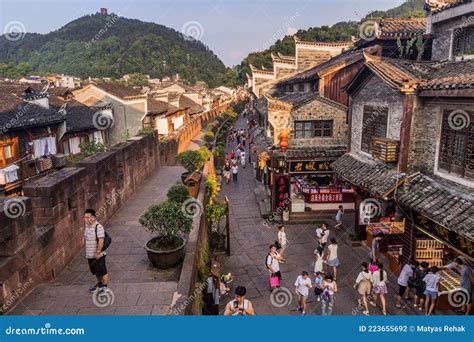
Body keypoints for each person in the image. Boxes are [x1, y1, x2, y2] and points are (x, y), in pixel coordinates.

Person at [84, 209, 109, 296]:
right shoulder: (87, 226)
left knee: (102, 271)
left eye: (88, 217)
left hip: (98, 254)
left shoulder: (98, 227)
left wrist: (98, 252)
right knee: (95, 271)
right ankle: (100, 284)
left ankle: (105, 287)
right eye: (85, 217)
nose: (86, 219)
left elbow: (101, 241)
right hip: (90, 255)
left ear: (94, 217)